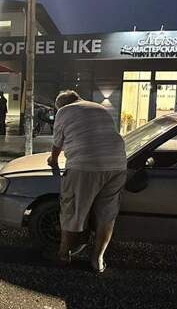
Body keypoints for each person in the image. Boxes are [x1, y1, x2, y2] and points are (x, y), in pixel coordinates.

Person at [47, 90, 127, 273]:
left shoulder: (64, 111)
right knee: (107, 215)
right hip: (117, 165)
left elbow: (58, 142)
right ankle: (97, 259)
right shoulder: (101, 108)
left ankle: (63, 254)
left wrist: (53, 160)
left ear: (61, 105)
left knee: (72, 210)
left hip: (85, 166)